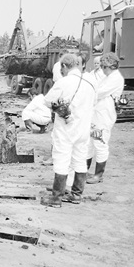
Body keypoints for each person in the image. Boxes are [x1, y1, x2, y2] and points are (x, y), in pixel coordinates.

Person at [41, 53, 96, 207]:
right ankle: (77, 195)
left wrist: (59, 107)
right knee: (80, 159)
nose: (62, 72)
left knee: (61, 159)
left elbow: (47, 100)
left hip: (66, 129)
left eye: (62, 69)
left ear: (64, 66)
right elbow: (94, 102)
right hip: (83, 128)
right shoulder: (91, 82)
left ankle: (56, 198)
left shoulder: (64, 82)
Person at [86, 52, 124, 184]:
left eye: (104, 67)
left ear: (110, 66)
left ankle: (98, 175)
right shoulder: (107, 76)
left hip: (104, 115)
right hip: (96, 114)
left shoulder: (115, 78)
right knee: (89, 142)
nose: (102, 69)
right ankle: (84, 171)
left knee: (100, 142)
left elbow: (99, 92)